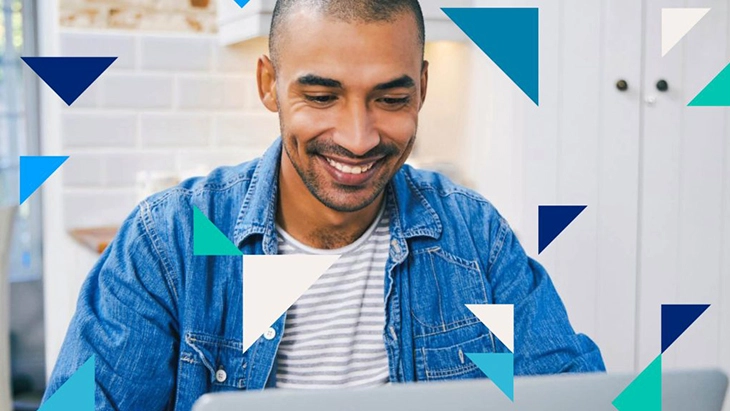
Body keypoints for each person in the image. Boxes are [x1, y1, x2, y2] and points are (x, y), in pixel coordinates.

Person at [42, 0, 605, 409]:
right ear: (269, 85)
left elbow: (570, 392)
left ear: (423, 90)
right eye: (320, 96)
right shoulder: (165, 241)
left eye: (391, 99)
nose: (359, 138)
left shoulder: (475, 235)